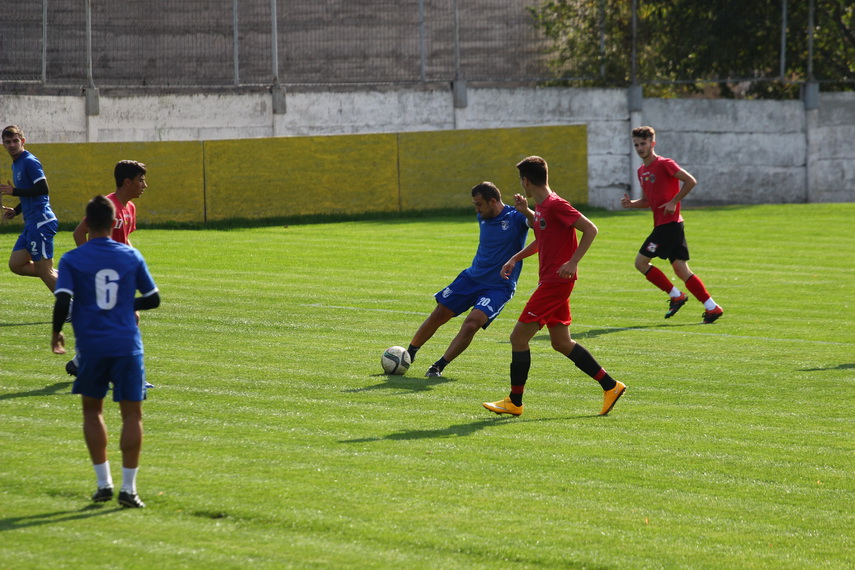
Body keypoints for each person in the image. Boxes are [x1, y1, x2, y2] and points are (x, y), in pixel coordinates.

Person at [483, 156, 625, 417]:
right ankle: (611, 386)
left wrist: (573, 262)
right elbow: (543, 234)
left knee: (518, 338)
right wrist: (515, 255)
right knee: (561, 342)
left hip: (555, 283)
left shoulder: (557, 205)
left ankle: (515, 401)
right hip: (553, 282)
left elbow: (590, 229)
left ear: (526, 181)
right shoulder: (545, 207)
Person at [51, 195, 161, 508]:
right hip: (127, 345)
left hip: (92, 345)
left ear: (87, 223)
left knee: (92, 411)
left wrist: (57, 332)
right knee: (131, 414)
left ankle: (103, 484)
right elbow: (153, 299)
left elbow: (62, 300)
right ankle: (129, 490)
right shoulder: (130, 255)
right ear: (115, 222)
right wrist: (127, 304)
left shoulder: (73, 259)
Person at [406, 181, 533, 377]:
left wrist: (526, 211)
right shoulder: (483, 215)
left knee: (472, 323)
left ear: (492, 202)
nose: (476, 209)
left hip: (498, 287)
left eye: (479, 204)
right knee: (439, 313)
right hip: (471, 278)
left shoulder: (515, 217)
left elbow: (539, 225)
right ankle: (409, 353)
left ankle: (438, 366)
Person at [621, 126, 723, 324]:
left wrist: (674, 201)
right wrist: (632, 204)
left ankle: (676, 295)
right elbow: (648, 200)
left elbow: (690, 181)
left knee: (640, 263)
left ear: (653, 143)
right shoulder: (642, 170)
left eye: (643, 143)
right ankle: (712, 307)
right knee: (681, 269)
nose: (640, 148)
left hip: (669, 226)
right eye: (636, 145)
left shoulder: (665, 164)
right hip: (669, 225)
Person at [66, 160, 151, 385]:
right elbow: (79, 233)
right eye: (141, 180)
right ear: (127, 182)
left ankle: (81, 361)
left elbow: (124, 239)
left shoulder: (130, 208)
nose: (145, 185)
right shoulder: (107, 206)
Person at [0, 125, 59, 293]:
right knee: (16, 264)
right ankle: (66, 278)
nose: (12, 145)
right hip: (31, 223)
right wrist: (16, 210)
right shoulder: (16, 164)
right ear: (3, 144)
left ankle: (70, 307)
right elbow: (30, 194)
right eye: (8, 142)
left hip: (41, 221)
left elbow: (43, 189)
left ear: (23, 141)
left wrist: (14, 192)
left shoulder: (29, 161)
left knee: (43, 270)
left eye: (15, 141)